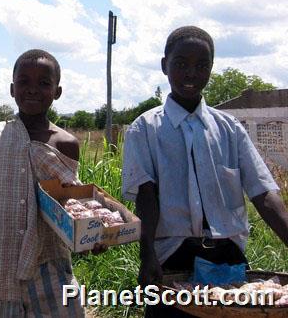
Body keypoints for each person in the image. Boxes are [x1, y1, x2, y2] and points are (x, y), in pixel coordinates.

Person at [122, 26, 288, 317]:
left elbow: (263, 193)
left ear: (211, 69)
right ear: (165, 66)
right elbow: (147, 196)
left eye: (201, 66)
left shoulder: (230, 129)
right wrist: (146, 254)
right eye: (181, 64)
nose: (191, 73)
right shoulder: (145, 129)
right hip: (172, 258)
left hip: (229, 258)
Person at [0, 49, 105, 318]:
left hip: (47, 261)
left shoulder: (66, 143)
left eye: (44, 83)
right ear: (12, 89)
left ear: (57, 92)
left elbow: (70, 203)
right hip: (0, 259)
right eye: (24, 82)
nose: (33, 89)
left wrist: (91, 236)